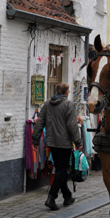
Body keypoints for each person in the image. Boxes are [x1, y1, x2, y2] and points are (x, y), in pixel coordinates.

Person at [32, 82, 81, 210]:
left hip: (52, 143)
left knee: (60, 169)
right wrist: (78, 142)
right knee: (61, 170)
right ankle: (51, 197)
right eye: (68, 91)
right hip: (64, 143)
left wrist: (35, 139)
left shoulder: (47, 104)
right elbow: (72, 125)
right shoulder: (68, 104)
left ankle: (67, 196)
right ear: (65, 92)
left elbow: (40, 121)